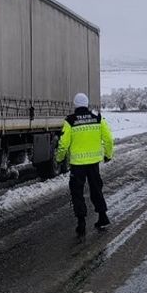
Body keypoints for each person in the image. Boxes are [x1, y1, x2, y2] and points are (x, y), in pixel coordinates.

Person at [55, 92, 114, 236]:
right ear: (87, 104)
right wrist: (107, 155)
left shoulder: (70, 120)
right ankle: (102, 216)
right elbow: (108, 138)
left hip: (77, 164)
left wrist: (59, 158)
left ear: (75, 104)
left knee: (77, 193)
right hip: (94, 163)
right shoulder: (98, 118)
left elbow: (63, 143)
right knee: (96, 189)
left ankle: (81, 223)